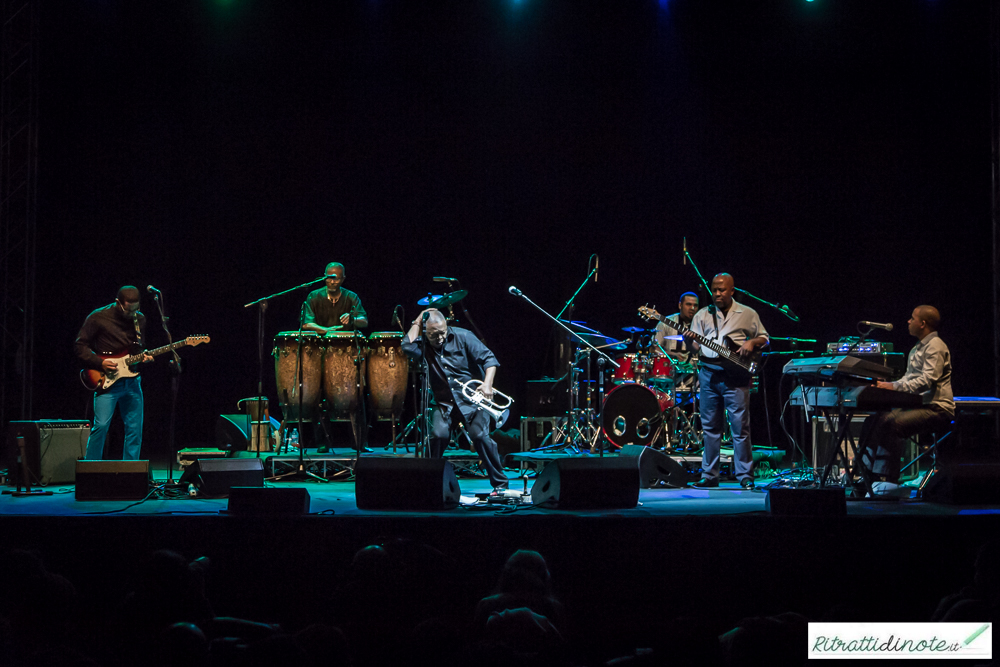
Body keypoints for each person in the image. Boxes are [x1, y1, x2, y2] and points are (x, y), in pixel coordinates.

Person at [401, 308, 509, 493]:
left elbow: (489, 359)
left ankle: (500, 485)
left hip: (472, 402)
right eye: (434, 335)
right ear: (425, 332)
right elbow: (406, 346)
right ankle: (428, 482)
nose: (440, 338)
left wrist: (487, 384)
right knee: (437, 436)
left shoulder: (464, 336)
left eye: (442, 332)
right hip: (443, 404)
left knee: (480, 437)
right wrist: (418, 320)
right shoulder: (424, 345)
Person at [857, 305, 953, 496]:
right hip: (920, 405)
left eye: (912, 318)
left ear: (923, 323)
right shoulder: (918, 346)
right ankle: (864, 476)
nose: (909, 321)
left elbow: (927, 381)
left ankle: (886, 481)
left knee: (893, 424)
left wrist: (892, 387)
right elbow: (908, 379)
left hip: (937, 408)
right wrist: (888, 385)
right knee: (874, 420)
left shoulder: (935, 346)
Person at [683, 274, 768, 489]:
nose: (717, 294)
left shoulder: (748, 313)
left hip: (736, 376)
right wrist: (687, 339)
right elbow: (695, 348)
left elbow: (765, 339)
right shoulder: (702, 315)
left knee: (740, 427)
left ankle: (745, 475)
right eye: (714, 290)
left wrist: (751, 342)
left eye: (722, 290)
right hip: (709, 374)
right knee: (710, 427)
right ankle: (709, 476)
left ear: (732, 291)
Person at [74, 286, 153, 460]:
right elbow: (80, 346)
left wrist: (143, 356)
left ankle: (130, 474)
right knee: (101, 426)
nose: (132, 313)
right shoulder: (98, 317)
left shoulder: (140, 319)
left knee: (134, 429)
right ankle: (91, 470)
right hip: (107, 382)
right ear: (118, 303)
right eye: (128, 310)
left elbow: (136, 349)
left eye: (136, 309)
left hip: (132, 381)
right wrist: (100, 362)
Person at [301, 262, 368, 334]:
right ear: (324, 277)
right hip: (320, 341)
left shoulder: (351, 297)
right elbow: (306, 324)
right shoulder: (314, 296)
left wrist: (352, 319)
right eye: (329, 278)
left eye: (336, 279)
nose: (332, 282)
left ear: (343, 279)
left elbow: (364, 322)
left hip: (346, 342)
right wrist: (326, 330)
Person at [654, 291, 700, 391]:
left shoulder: (701, 325)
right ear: (680, 305)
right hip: (669, 376)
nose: (692, 308)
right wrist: (671, 354)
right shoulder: (665, 323)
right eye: (688, 304)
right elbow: (654, 349)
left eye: (695, 305)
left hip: (695, 377)